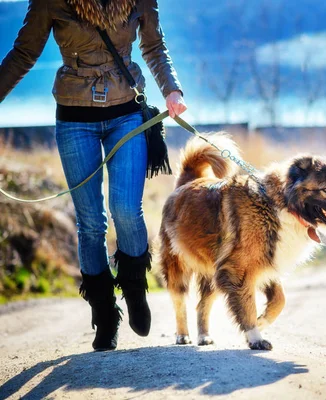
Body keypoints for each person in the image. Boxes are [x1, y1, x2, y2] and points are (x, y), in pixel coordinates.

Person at [0, 0, 187, 351]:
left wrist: (171, 90)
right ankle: (104, 312)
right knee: (90, 223)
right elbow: (24, 53)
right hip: (74, 119)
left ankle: (133, 286)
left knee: (126, 208)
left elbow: (154, 46)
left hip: (127, 115)